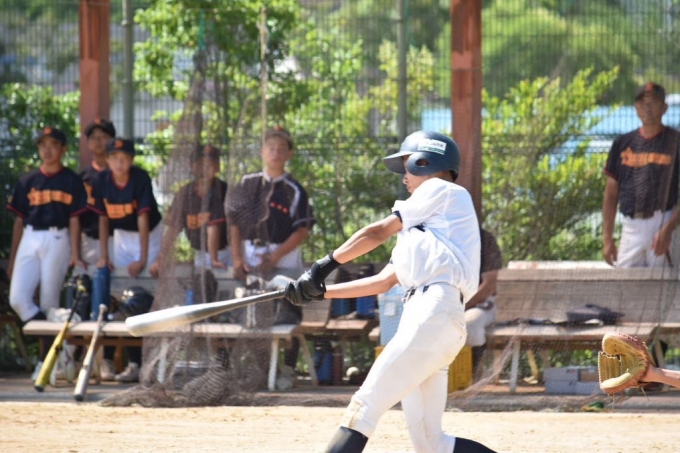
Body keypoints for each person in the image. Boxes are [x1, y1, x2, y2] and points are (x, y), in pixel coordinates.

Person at [285, 130, 495, 453]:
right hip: (433, 320)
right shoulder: (426, 229)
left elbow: (376, 232)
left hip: (433, 313)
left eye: (407, 166)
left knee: (364, 408)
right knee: (431, 444)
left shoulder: (442, 190)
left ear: (425, 161)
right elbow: (383, 282)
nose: (404, 178)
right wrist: (321, 292)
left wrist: (321, 267)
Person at [225, 126, 315, 378]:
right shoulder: (248, 183)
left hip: (283, 254)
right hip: (251, 253)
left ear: (290, 154)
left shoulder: (294, 189)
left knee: (288, 311)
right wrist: (237, 259)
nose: (275, 152)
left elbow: (302, 230)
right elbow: (234, 224)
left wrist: (274, 258)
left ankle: (288, 368)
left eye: (281, 148)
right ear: (262, 151)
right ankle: (261, 369)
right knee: (252, 310)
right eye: (270, 147)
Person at [6, 126, 88, 378]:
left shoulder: (72, 180)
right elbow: (19, 221)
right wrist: (12, 259)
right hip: (30, 235)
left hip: (58, 236)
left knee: (49, 301)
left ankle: (46, 362)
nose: (47, 149)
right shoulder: (28, 180)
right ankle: (59, 347)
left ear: (63, 149)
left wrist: (75, 253)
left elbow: (75, 220)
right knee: (18, 299)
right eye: (43, 144)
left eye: (53, 144)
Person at [89, 138, 163, 382]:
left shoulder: (140, 178)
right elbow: (102, 220)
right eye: (114, 157)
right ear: (107, 159)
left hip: (148, 235)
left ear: (131, 160)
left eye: (124, 158)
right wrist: (104, 256)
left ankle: (137, 363)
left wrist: (143, 258)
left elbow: (143, 218)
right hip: (121, 236)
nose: (119, 163)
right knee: (118, 297)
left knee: (140, 295)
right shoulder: (101, 180)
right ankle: (110, 360)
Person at [603, 82, 680, 268]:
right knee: (625, 282)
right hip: (631, 226)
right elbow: (611, 194)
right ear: (636, 107)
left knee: (664, 283)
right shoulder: (622, 143)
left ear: (664, 108)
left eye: (653, 103)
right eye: (642, 103)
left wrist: (668, 229)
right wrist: (607, 239)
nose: (647, 108)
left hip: (664, 222)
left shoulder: (676, 142)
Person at [149, 144, 229, 279]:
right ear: (193, 166)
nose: (204, 169)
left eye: (209, 164)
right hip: (201, 253)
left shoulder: (222, 190)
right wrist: (160, 259)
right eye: (201, 164)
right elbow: (173, 229)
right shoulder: (185, 193)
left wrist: (214, 259)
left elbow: (213, 227)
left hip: (227, 253)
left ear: (218, 167)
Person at [464, 228, 503, 382]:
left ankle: (469, 379)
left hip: (480, 303)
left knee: (469, 324)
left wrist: (462, 306)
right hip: (443, 302)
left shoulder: (485, 240)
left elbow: (489, 285)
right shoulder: (436, 236)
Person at [79, 118, 116, 277]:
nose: (98, 141)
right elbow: (75, 215)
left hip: (117, 239)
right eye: (93, 138)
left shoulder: (122, 174)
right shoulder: (82, 176)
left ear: (113, 140)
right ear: (88, 143)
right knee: (85, 284)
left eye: (103, 137)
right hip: (89, 239)